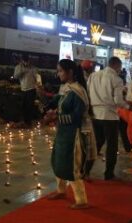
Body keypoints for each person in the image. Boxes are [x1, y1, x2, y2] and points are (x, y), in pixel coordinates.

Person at [43, 59, 96, 209]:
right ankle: (61, 190)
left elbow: (77, 116)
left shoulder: (78, 91)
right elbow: (55, 102)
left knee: (72, 164)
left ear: (70, 72)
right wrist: (43, 99)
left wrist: (55, 117)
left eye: (60, 70)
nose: (58, 74)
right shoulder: (66, 88)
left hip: (74, 134)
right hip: (63, 133)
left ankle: (81, 200)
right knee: (58, 160)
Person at [86, 57, 126, 180]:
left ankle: (86, 170)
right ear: (117, 66)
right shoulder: (117, 79)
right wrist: (128, 105)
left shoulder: (93, 76)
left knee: (96, 144)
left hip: (95, 115)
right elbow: (118, 101)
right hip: (110, 116)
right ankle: (109, 173)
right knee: (111, 146)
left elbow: (88, 93)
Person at [14, 55, 39, 128]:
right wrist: (22, 70)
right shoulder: (18, 67)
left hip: (31, 89)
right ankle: (23, 122)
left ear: (29, 61)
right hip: (23, 89)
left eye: (27, 61)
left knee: (29, 106)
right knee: (23, 106)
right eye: (24, 61)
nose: (26, 62)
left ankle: (28, 122)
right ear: (22, 60)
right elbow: (15, 76)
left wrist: (39, 87)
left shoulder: (34, 68)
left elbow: (37, 78)